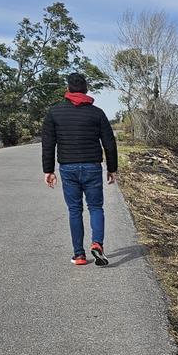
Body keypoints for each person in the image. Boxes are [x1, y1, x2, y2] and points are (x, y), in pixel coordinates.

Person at [42, 73, 118, 266]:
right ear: (85, 89)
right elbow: (109, 142)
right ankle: (97, 244)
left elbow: (48, 144)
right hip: (92, 166)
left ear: (68, 89)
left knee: (75, 210)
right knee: (95, 207)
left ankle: (79, 255)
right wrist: (112, 168)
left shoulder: (54, 112)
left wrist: (48, 170)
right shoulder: (97, 113)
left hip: (68, 167)